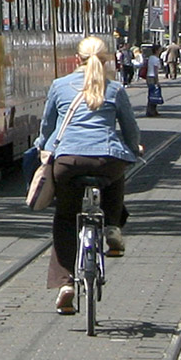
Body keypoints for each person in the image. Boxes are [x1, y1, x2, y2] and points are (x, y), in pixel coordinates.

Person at [36, 37, 142, 314]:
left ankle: (66, 284)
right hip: (106, 158)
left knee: (65, 217)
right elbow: (129, 128)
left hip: (68, 162)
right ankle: (112, 227)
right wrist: (133, 149)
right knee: (115, 175)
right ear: (107, 59)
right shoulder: (115, 88)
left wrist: (42, 148)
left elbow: (47, 128)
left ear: (76, 58)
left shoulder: (60, 86)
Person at [145, 43, 164, 117]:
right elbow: (155, 70)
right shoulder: (156, 59)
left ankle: (151, 110)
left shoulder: (150, 57)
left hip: (148, 76)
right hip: (153, 77)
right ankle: (151, 111)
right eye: (159, 49)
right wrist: (157, 80)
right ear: (156, 50)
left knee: (151, 94)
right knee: (154, 94)